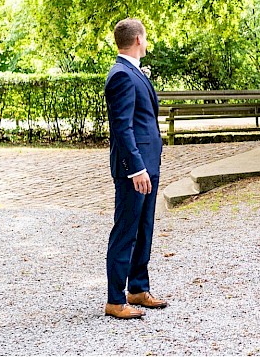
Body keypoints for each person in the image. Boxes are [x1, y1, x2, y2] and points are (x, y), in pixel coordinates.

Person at [103, 18, 167, 319]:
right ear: (138, 39)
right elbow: (122, 128)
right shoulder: (121, 75)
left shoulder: (132, 71)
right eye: (146, 36)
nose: (147, 40)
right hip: (135, 169)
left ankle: (138, 288)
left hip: (148, 164)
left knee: (144, 229)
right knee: (125, 231)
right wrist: (136, 168)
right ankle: (115, 300)